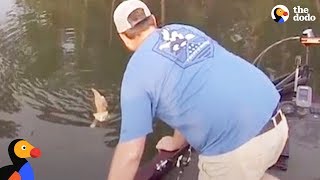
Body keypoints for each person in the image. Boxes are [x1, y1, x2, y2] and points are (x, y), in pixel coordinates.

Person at [108, 0, 289, 180]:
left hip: (239, 146)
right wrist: (177, 141)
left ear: (123, 37)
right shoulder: (184, 30)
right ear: (154, 21)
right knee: (249, 170)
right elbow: (193, 88)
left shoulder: (136, 74)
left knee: (237, 168)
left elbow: (131, 154)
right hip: (278, 124)